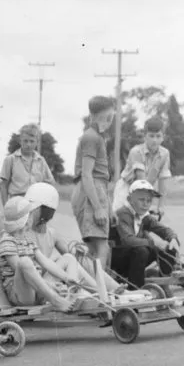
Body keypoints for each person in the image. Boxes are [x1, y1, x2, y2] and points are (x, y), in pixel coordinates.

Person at [23, 182, 119, 301]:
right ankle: (100, 292)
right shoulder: (23, 232)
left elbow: (71, 254)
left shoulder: (52, 233)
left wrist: (78, 250)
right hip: (39, 285)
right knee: (69, 259)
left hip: (48, 280)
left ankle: (112, 289)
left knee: (80, 259)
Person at [0, 196, 76, 312]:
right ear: (27, 220)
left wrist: (66, 278)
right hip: (22, 295)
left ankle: (72, 295)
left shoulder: (27, 240)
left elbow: (46, 262)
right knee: (24, 262)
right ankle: (56, 301)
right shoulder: (7, 241)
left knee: (68, 258)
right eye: (31, 214)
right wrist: (49, 285)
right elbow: (21, 270)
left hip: (39, 289)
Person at [110, 180, 180, 289]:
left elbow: (161, 228)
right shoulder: (123, 214)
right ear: (130, 200)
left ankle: (163, 282)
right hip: (118, 260)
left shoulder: (143, 215)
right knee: (141, 250)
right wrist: (152, 243)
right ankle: (135, 289)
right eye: (141, 200)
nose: (145, 204)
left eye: (149, 200)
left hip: (134, 255)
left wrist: (172, 238)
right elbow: (128, 240)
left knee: (168, 249)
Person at [71, 95, 116, 267]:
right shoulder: (91, 138)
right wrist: (98, 207)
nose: (110, 121)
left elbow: (101, 179)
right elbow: (87, 175)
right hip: (91, 191)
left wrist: (109, 208)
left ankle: (90, 286)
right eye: (108, 117)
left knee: (92, 248)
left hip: (97, 190)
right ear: (97, 116)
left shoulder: (97, 137)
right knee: (101, 247)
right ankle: (100, 289)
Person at [113, 116, 172, 215]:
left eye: (158, 136)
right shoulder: (136, 151)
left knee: (142, 225)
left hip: (146, 190)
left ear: (163, 137)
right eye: (151, 136)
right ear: (145, 136)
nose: (154, 140)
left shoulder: (165, 154)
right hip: (127, 188)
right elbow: (141, 180)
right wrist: (145, 204)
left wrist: (160, 206)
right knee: (121, 220)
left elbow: (163, 182)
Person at [0, 123, 55, 204]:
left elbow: (50, 183)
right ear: (20, 141)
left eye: (32, 141)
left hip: (36, 204)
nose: (28, 144)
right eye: (25, 141)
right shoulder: (10, 160)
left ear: (37, 142)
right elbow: (3, 186)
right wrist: (6, 208)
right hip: (16, 203)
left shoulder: (41, 161)